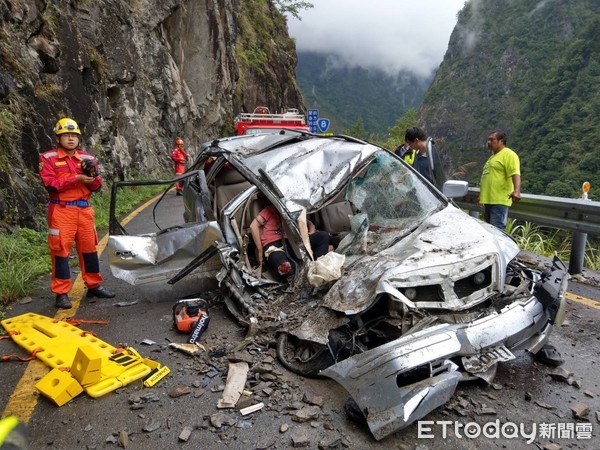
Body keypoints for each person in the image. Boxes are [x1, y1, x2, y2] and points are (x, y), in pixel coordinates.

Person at [39, 117, 115, 309]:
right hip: (61, 209)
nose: (71, 139)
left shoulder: (87, 158)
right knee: (60, 252)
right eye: (66, 135)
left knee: (89, 248)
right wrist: (76, 178)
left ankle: (94, 285)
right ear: (58, 138)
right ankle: (61, 292)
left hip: (84, 209)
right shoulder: (48, 158)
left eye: (74, 135)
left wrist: (93, 176)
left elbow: (97, 186)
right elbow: (50, 184)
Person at [249, 204, 330, 276]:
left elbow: (309, 223)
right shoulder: (270, 209)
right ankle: (288, 269)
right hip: (273, 246)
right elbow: (253, 226)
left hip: (293, 244)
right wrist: (260, 250)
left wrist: (309, 234)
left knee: (323, 236)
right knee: (282, 264)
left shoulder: (293, 209)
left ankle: (319, 266)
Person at [477, 131, 521, 231]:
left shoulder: (509, 154)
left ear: (501, 141)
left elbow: (515, 173)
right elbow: (488, 177)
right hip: (489, 200)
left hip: (499, 200)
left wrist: (517, 190)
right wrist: (481, 195)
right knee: (490, 231)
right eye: (488, 139)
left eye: (492, 139)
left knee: (497, 230)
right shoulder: (492, 157)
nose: (489, 142)